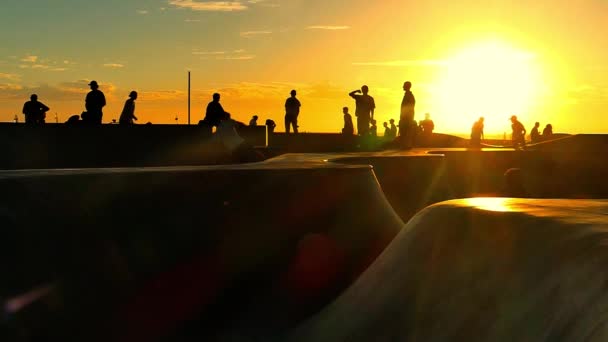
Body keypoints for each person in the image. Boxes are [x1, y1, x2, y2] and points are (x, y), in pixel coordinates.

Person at [399, 81, 416, 148]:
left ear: (407, 86)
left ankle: (407, 145)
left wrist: (405, 116)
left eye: (404, 85)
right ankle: (406, 145)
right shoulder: (407, 95)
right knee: (405, 131)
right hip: (406, 117)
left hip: (407, 117)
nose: (403, 86)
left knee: (406, 131)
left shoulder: (409, 95)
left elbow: (410, 107)